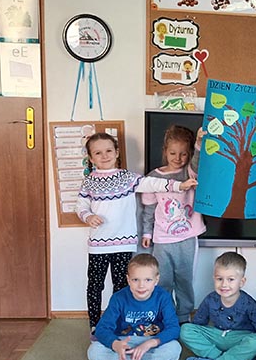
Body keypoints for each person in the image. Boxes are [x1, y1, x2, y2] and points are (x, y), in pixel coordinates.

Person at [77, 132, 197, 333]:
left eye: (108, 151)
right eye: (98, 153)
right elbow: (80, 205)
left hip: (124, 244)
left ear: (117, 152)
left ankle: (119, 324)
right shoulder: (89, 181)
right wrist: (88, 216)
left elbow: (153, 182)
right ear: (91, 158)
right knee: (95, 286)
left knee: (122, 288)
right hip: (98, 245)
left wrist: (179, 185)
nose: (104, 156)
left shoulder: (127, 178)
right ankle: (95, 325)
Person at [141, 125, 205, 325]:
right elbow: (149, 209)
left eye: (183, 154)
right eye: (173, 153)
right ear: (165, 152)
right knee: (163, 280)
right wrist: (147, 233)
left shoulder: (188, 173)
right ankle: (165, 315)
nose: (178, 158)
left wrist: (199, 144)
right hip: (162, 239)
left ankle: (184, 316)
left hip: (187, 237)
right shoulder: (153, 178)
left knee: (185, 280)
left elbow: (197, 164)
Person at [87, 254, 182, 360]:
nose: (141, 285)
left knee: (175, 348)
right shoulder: (118, 298)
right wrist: (115, 344)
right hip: (124, 342)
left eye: (148, 280)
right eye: (135, 280)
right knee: (94, 351)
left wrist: (150, 343)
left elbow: (174, 328)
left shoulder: (163, 297)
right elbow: (101, 329)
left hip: (150, 342)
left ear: (156, 280)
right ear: (128, 279)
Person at [179, 252, 256, 360]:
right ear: (214, 278)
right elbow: (198, 323)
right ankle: (227, 358)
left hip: (239, 339)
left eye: (231, 280)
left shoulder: (249, 304)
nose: (224, 284)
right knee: (185, 329)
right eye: (219, 279)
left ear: (241, 282)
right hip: (217, 336)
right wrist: (197, 335)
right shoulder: (210, 299)